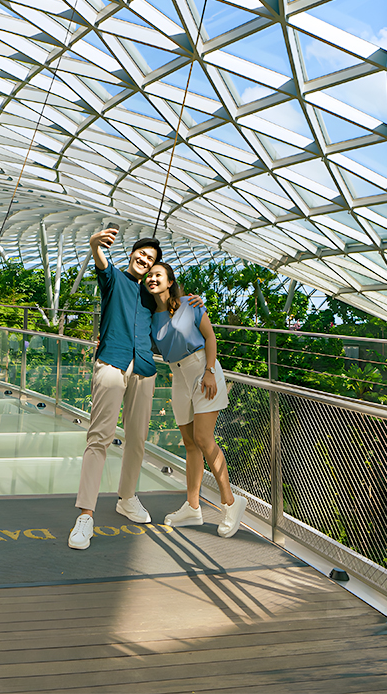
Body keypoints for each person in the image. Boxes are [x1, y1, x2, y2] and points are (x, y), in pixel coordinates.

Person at [68, 229, 165, 550]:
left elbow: (175, 319)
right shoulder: (113, 280)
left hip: (145, 369)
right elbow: (101, 264)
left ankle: (127, 498)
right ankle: (85, 514)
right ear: (132, 254)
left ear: (154, 267)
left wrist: (191, 304)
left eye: (151, 259)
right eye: (142, 254)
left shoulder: (152, 297)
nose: (145, 259)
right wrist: (96, 244)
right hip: (111, 363)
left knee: (137, 439)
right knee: (99, 438)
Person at [144, 262, 247, 537]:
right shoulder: (150, 316)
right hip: (177, 376)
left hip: (203, 370)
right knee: (190, 444)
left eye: (158, 275)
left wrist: (211, 372)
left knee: (203, 438)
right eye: (149, 276)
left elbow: (210, 337)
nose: (152, 278)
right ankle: (192, 507)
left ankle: (231, 502)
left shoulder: (190, 304)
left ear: (169, 281)